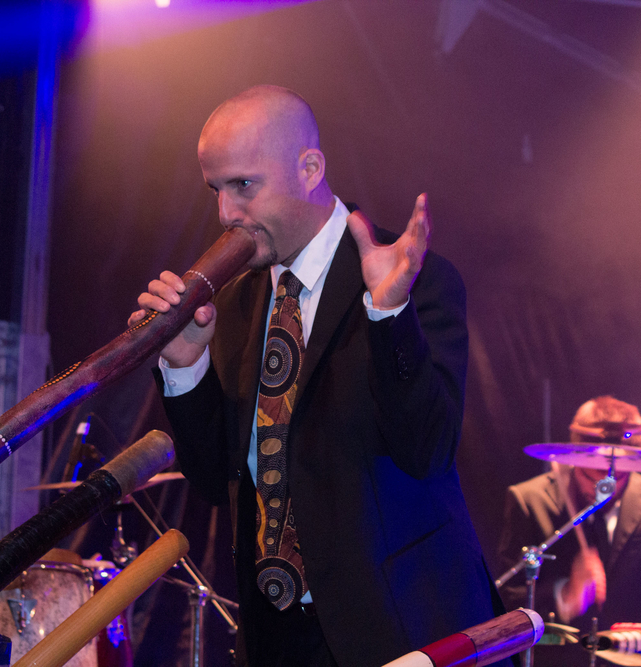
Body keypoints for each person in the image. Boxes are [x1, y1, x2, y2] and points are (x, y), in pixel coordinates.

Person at [129, 85, 502, 666]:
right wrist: (185, 366)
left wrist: (390, 315)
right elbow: (216, 483)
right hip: (276, 637)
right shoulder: (235, 303)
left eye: (244, 185)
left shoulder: (417, 279)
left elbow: (428, 450)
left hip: (396, 629)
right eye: (216, 190)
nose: (226, 213)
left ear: (309, 169)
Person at [497, 396, 641, 667]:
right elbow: (506, 600)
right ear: (573, 460)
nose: (602, 489)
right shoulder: (529, 501)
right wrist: (565, 594)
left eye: (617, 477)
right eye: (590, 477)